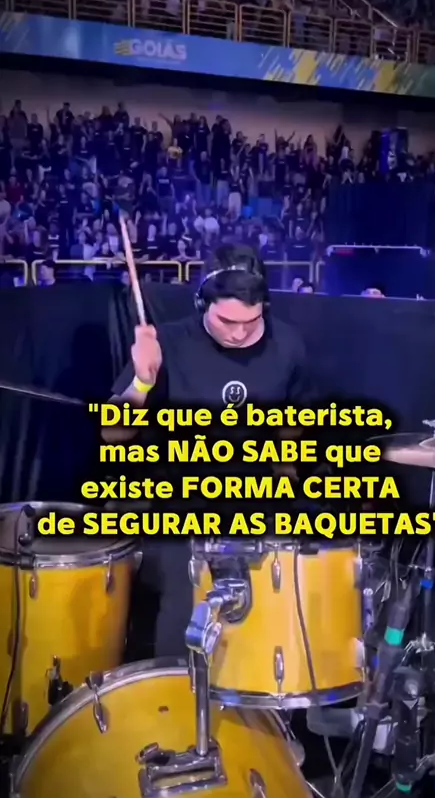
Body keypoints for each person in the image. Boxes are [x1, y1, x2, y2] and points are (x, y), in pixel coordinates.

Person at [103, 243, 312, 658]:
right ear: (203, 303)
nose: (239, 333)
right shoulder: (168, 342)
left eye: (251, 322)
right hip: (175, 501)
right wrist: (142, 382)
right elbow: (113, 433)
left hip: (253, 497)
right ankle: (176, 683)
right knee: (185, 588)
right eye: (227, 321)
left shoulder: (288, 345)